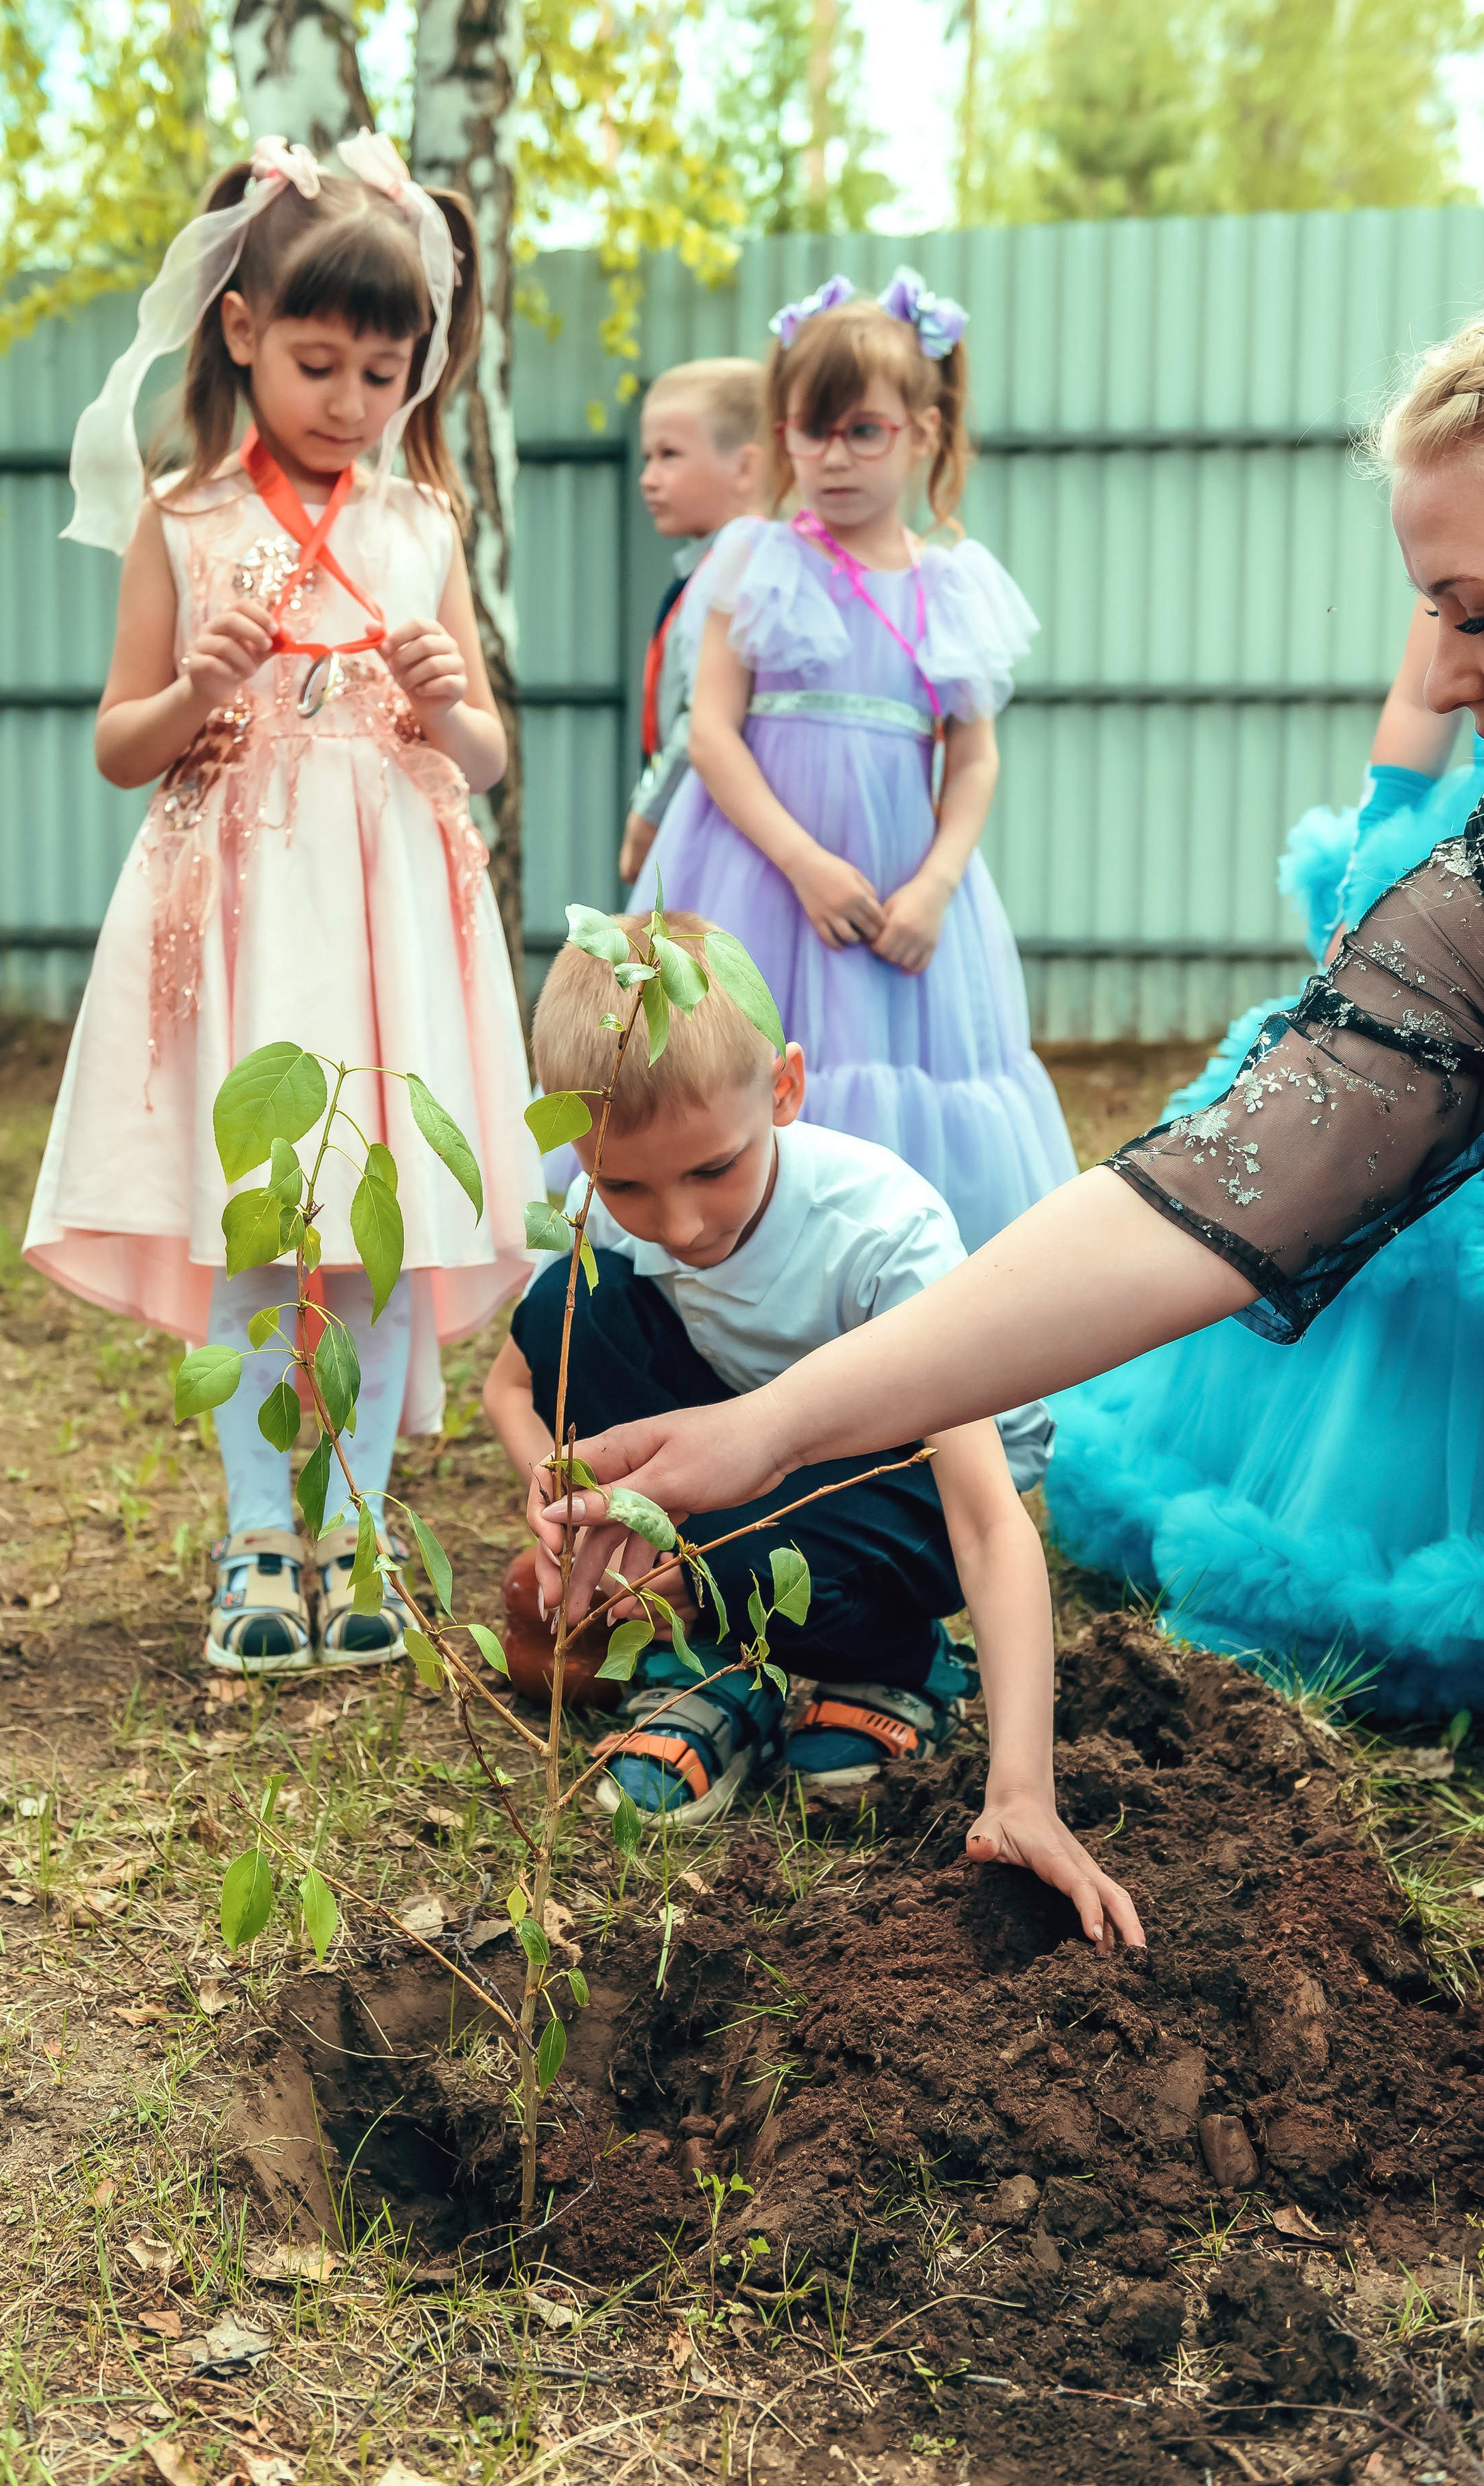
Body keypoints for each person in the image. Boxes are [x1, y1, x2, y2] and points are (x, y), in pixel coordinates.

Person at [535, 310, 1484, 1816]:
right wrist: (765, 1426)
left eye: (1472, 618)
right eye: (1428, 614)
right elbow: (1219, 1194)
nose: (1430, 686)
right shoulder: (1460, 920)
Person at [24, 132, 539, 1676]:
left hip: (391, 910)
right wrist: (198, 684)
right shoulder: (181, 523)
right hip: (244, 904)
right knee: (267, 1221)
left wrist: (455, 706)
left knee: (375, 1230)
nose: (349, 402)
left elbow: (488, 754)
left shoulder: (421, 526)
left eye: (382, 376)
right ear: (239, 332)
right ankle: (262, 1522)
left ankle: (359, 1519)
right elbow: (121, 742)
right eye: (317, 363)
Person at [479, 916, 1139, 1944]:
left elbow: (986, 1519)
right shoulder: (598, 1209)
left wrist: (1024, 1788)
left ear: (784, 1089)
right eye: (626, 1184)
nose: (680, 1222)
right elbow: (512, 1390)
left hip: (914, 1479)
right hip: (744, 1459)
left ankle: (897, 1664)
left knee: (753, 1528)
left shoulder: (880, 1234)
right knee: (576, 1300)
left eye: (712, 1169)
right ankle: (737, 1657)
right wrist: (572, 1505)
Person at [1047, 614, 1484, 1712]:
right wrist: (1382, 842)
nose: (1451, 642)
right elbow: (1425, 689)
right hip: (1454, 858)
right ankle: (1339, 1533)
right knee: (1355, 1177)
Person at [628, 270, 1075, 1254]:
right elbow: (710, 731)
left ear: (923, 429)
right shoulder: (757, 558)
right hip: (758, 876)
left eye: (863, 430)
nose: (833, 456)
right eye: (809, 428)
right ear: (781, 433)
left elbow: (972, 760)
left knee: (885, 1094)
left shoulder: (950, 588)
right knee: (728, 1073)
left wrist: (936, 887)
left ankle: (887, 1315)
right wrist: (801, 862)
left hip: (901, 900)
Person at [618, 360, 764, 888]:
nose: (648, 478)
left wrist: (649, 812)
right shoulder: (706, 563)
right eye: (647, 458)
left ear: (746, 468)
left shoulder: (741, 561)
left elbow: (698, 711)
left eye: (669, 456)